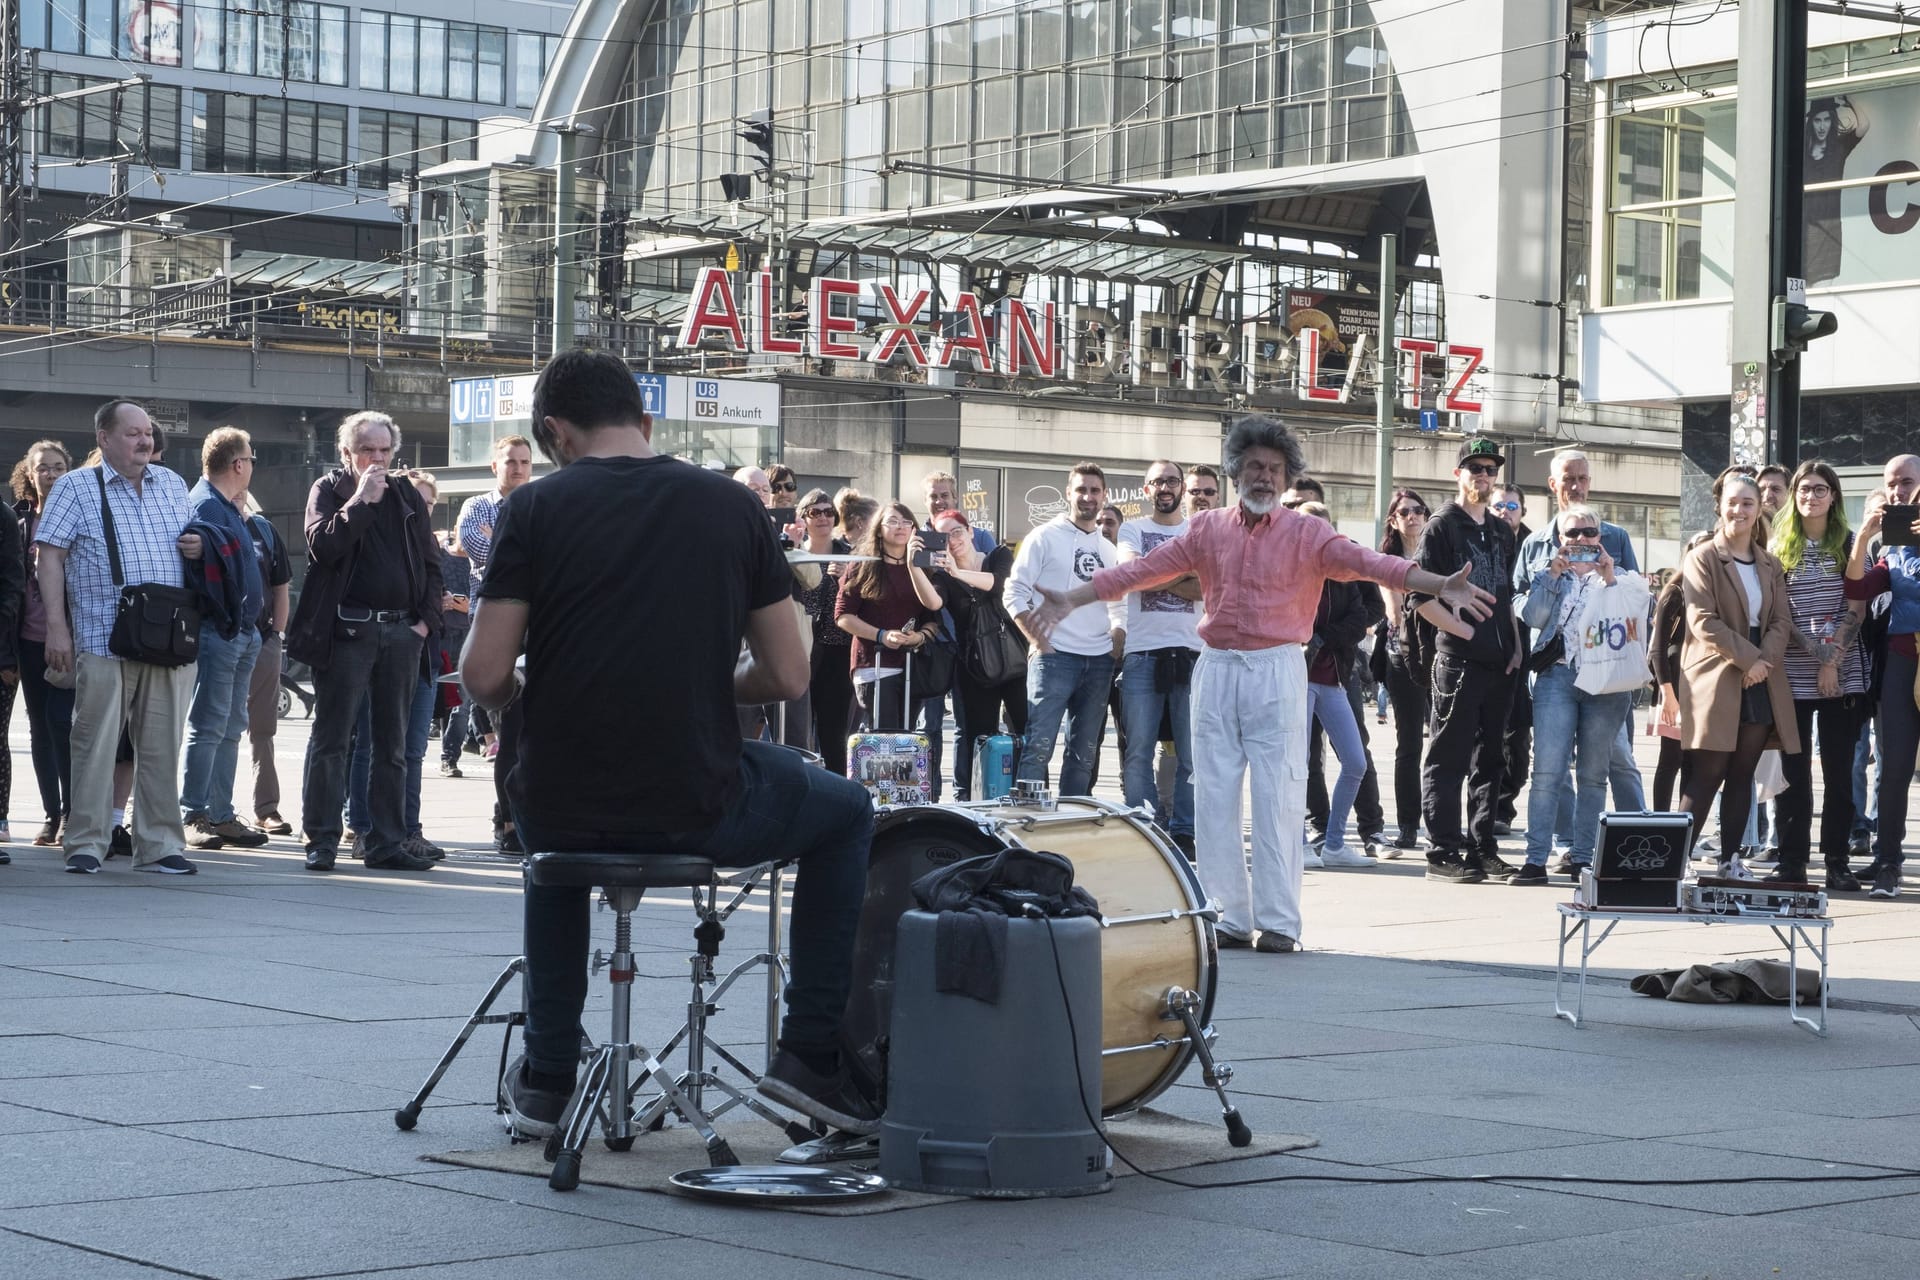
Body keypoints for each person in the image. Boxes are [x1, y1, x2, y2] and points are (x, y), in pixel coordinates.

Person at [461, 349, 879, 1139]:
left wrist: (524, 689)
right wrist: (696, 682)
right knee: (848, 811)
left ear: (555, 434)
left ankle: (548, 1078)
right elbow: (789, 675)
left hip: (560, 806)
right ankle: (807, 1059)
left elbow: (482, 674)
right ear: (645, 421)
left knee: (552, 827)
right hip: (697, 804)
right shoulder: (731, 507)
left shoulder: (532, 509)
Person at [1026, 416, 1492, 953]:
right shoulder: (1205, 529)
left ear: (1288, 476)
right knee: (1214, 795)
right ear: (1236, 472)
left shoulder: (1309, 533)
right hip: (1217, 665)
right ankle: (1228, 916)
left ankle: (1278, 922)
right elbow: (1140, 572)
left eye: (1274, 469)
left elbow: (1373, 564)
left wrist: (1438, 584)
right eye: (1254, 467)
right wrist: (1071, 597)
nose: (1264, 477)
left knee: (1280, 793)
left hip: (1277, 667)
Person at [37, 399, 203, 875]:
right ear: (103, 439)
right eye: (132, 433)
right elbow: (49, 558)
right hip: (102, 636)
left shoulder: (172, 484)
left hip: (169, 641)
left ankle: (160, 845)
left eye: (147, 433)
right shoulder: (75, 487)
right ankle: (87, 843)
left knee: (161, 745)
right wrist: (56, 628)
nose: (144, 440)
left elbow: (191, 545)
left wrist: (199, 544)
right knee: (94, 744)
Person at [288, 411, 443, 873]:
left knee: (392, 745)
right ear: (346, 453)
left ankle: (386, 842)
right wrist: (359, 500)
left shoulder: (408, 495)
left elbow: (431, 564)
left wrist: (425, 622)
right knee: (333, 738)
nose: (376, 459)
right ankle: (322, 839)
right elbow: (322, 547)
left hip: (401, 631)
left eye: (384, 451)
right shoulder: (329, 490)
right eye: (366, 450)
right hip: (348, 631)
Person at [1512, 449, 1646, 866]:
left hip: (1606, 675)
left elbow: (1637, 607)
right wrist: (1551, 577)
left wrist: (1610, 576)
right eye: (1568, 478)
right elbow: (1522, 603)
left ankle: (1627, 837)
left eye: (1583, 479)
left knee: (1609, 763)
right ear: (1553, 484)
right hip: (1555, 671)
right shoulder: (1535, 542)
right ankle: (1555, 848)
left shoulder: (1616, 538)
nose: (1583, 541)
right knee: (1550, 769)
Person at [1676, 471, 1799, 879]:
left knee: (1742, 773)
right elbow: (1702, 621)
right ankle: (1677, 861)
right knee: (1707, 772)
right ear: (1719, 506)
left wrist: (1763, 661)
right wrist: (1749, 661)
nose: (1739, 510)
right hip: (1717, 673)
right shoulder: (1703, 557)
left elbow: (1782, 620)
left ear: (1759, 508)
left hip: (1761, 675)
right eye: (1732, 502)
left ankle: (1731, 860)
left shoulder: (1769, 563)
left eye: (1748, 503)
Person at [1414, 438, 1523, 884]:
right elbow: (1420, 597)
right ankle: (1443, 850)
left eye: (1490, 469)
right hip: (1459, 661)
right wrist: (1465, 633)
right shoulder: (1442, 526)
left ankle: (1483, 848)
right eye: (1474, 468)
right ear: (1458, 473)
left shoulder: (1500, 529)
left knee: (1491, 758)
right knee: (1448, 756)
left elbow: (1508, 596)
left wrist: (1514, 644)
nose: (1483, 475)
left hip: (1500, 662)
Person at [1771, 460, 1867, 890]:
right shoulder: (1779, 548)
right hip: (1791, 674)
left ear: (1834, 496)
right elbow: (1780, 614)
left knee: (1840, 772)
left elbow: (1858, 605)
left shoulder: (1848, 543)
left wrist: (1831, 661)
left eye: (1821, 489)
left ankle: (1836, 860)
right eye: (1804, 489)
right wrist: (1815, 656)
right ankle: (1791, 861)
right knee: (1793, 772)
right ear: (1794, 495)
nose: (1811, 497)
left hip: (1843, 675)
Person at [1004, 463, 1126, 798]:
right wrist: (1039, 641)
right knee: (1038, 748)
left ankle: (1073, 820)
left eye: (1095, 491)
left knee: (1084, 754)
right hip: (1054, 659)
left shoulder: (1109, 549)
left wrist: (1117, 636)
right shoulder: (1042, 537)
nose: (1088, 497)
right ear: (1068, 493)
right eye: (1081, 490)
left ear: (1104, 496)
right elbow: (1013, 593)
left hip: (1099, 661)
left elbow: (1118, 603)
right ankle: (1030, 823)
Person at [179, 427, 271, 852]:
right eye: (251, 458)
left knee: (230, 725)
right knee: (211, 724)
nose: (252, 465)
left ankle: (218, 813)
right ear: (238, 464)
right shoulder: (206, 506)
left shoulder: (224, 506)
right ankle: (194, 813)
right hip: (220, 630)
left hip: (239, 631)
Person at [1115, 460, 1200, 855]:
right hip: (1142, 653)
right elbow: (1131, 574)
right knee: (1138, 751)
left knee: (1191, 753)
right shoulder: (1132, 529)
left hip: (1193, 654)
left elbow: (1207, 587)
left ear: (1182, 488)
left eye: (1171, 481)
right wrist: (1183, 575)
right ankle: (1145, 827)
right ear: (1145, 490)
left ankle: (1183, 832)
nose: (1164, 487)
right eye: (1156, 482)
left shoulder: (1198, 530)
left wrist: (1152, 575)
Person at [1845, 454, 1920, 899]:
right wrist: (1863, 540)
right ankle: (1888, 859)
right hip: (1900, 659)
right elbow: (1857, 589)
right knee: (1893, 769)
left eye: (1907, 482)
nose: (1898, 492)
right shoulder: (1889, 546)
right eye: (1892, 484)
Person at [459, 435, 535, 855]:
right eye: (510, 461)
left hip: (538, 627)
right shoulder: (477, 507)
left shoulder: (543, 503)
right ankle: (505, 821)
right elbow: (485, 553)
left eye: (525, 461)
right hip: (492, 627)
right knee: (508, 730)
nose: (518, 468)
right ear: (495, 466)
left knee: (533, 732)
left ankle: (526, 816)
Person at [1295, 500, 1379, 870]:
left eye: (1322, 529)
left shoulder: (1343, 571)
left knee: (1355, 761)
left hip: (1332, 677)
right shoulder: (1287, 570)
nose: (1316, 536)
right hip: (1295, 679)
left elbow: (1360, 619)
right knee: (1295, 764)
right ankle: (1295, 842)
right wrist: (1311, 637)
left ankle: (1334, 842)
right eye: (1307, 528)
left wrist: (1320, 638)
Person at [928, 507, 1027, 799]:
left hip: (1013, 658)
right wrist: (913, 567)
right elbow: (933, 603)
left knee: (1026, 733)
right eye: (943, 537)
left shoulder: (998, 556)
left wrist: (959, 572)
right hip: (974, 666)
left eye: (956, 531)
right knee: (979, 739)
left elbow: (999, 584)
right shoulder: (943, 577)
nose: (952, 540)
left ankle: (1030, 796)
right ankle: (980, 802)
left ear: (971, 532)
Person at [14, 440, 75, 847]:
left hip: (70, 640)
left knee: (63, 724)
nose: (50, 474)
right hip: (28, 640)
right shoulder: (19, 523)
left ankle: (74, 812)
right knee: (39, 729)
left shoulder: (77, 517)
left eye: (58, 467)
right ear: (29, 475)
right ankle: (51, 815)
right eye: (42, 468)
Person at [836, 502, 943, 733]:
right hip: (874, 663)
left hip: (912, 666)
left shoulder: (923, 566)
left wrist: (920, 637)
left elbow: (933, 617)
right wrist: (881, 635)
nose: (901, 527)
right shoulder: (862, 565)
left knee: (906, 736)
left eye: (907, 522)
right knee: (884, 734)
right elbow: (843, 616)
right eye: (893, 521)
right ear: (878, 529)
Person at [1376, 488, 1430, 853]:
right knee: (1409, 743)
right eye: (1404, 512)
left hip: (1444, 655)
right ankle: (1409, 825)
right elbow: (1395, 612)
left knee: (1448, 745)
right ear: (1394, 520)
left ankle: (1443, 823)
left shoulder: (1439, 551)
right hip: (1404, 657)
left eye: (1417, 510)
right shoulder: (1387, 561)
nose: (1411, 517)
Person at [241, 492, 293, 835]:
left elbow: (281, 586)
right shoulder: (203, 516)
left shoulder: (263, 529)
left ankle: (266, 807)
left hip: (262, 638)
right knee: (211, 728)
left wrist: (276, 634)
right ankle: (205, 808)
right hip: (217, 639)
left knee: (263, 728)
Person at [795, 487, 855, 774]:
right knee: (798, 729)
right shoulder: (793, 553)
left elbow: (863, 597)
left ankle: (837, 790)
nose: (823, 517)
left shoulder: (849, 555)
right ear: (803, 518)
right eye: (815, 512)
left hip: (837, 648)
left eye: (829, 511)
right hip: (800, 648)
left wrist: (846, 579)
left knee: (834, 731)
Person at [1491, 483, 1532, 835]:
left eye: (1511, 506)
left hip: (1528, 652)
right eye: (1499, 505)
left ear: (1522, 511)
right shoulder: (1480, 539)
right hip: (1488, 648)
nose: (1505, 511)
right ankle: (1487, 807)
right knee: (1485, 735)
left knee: (1518, 736)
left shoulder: (1534, 545)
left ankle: (1505, 803)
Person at [1804, 94, 1870, 285]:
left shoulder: (1838, 148)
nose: (1822, 126)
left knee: (1825, 292)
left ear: (1832, 120)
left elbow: (1864, 125)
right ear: (1811, 123)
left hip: (1829, 232)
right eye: (1817, 120)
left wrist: (1851, 99)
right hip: (1805, 230)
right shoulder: (1802, 154)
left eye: (1826, 119)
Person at [435, 526, 472, 778]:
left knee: (463, 702)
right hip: (441, 635)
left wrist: (458, 602)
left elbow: (476, 600)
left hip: (469, 637)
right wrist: (463, 602)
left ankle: (450, 756)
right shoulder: (440, 555)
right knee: (442, 700)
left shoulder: (478, 562)